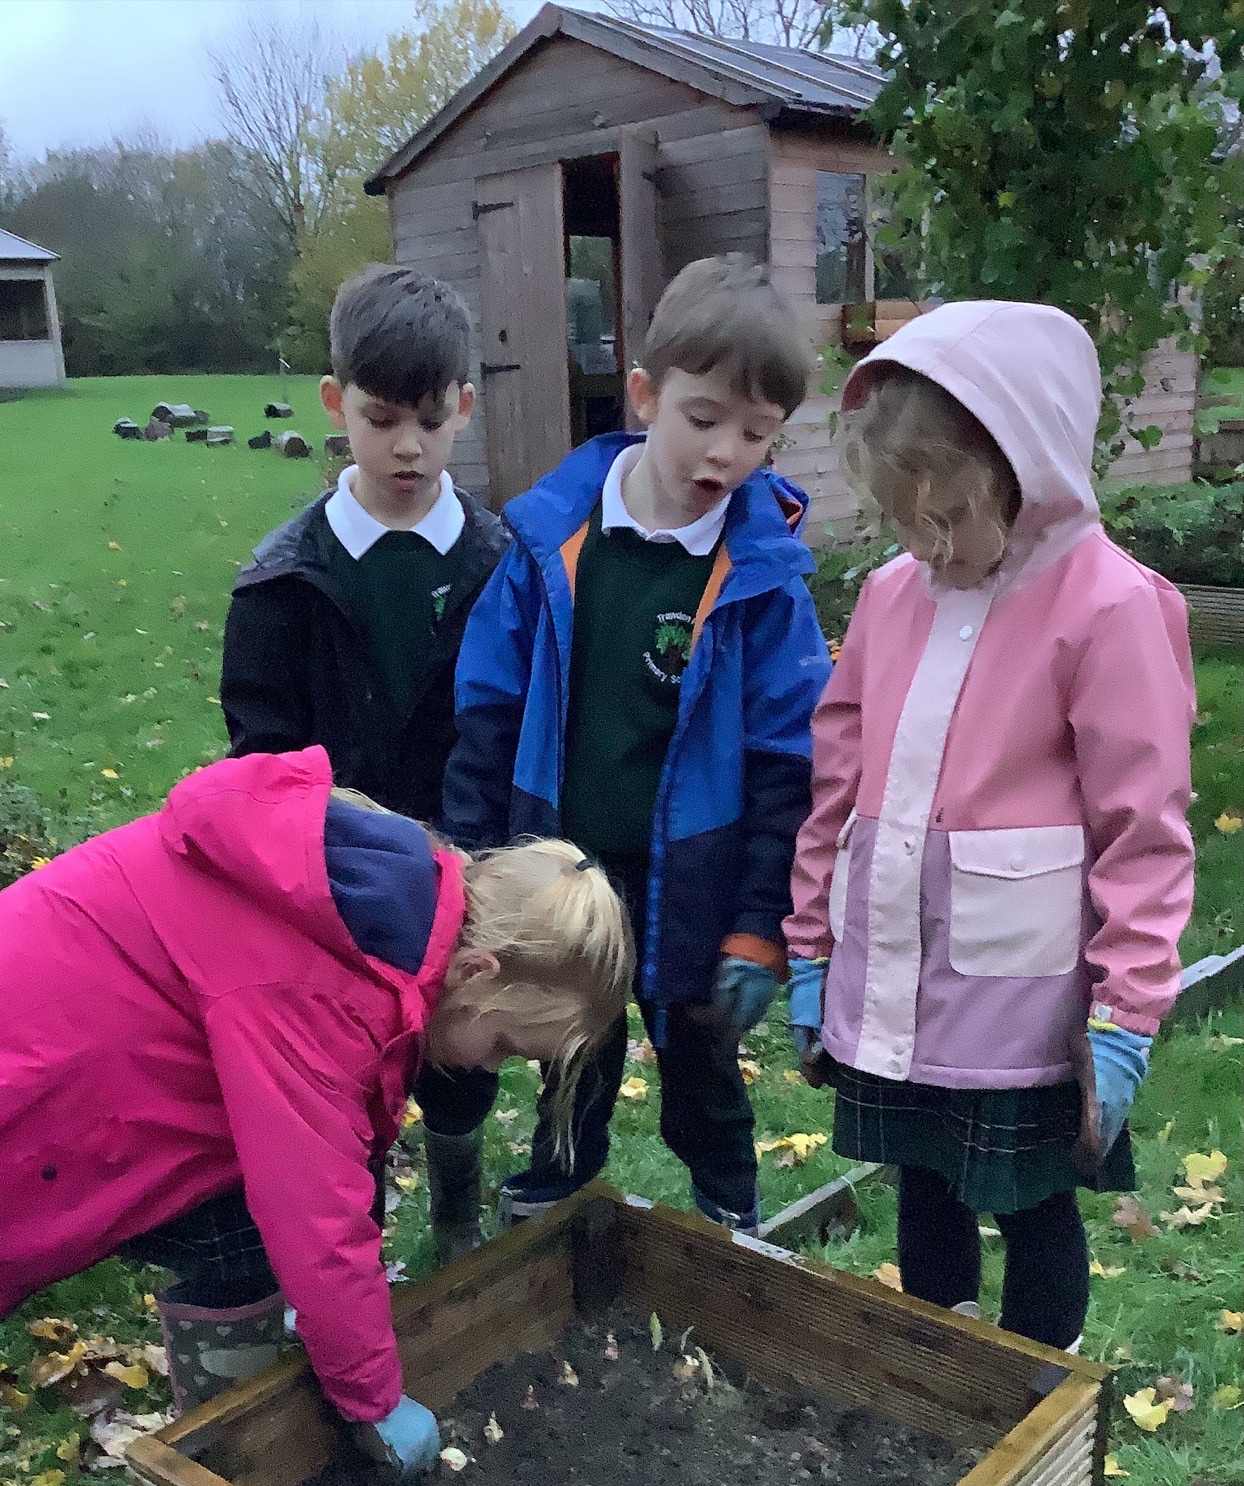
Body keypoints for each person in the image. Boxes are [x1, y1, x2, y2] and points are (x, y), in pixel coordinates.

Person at [0, 748, 632, 1473]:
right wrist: (376, 1399)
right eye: (501, 1043)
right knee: (240, 1239)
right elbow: (313, 1207)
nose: (486, 1066)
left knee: (266, 1229)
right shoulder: (321, 983)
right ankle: (231, 1453)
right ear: (476, 970)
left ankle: (279, 1348)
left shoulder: (394, 901)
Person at [785, 300, 1195, 1351]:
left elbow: (1142, 828)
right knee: (923, 1176)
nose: (934, 551)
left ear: (1028, 468)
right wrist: (810, 947)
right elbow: (838, 775)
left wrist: (1126, 1013)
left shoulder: (1109, 607)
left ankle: (1033, 1396)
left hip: (1020, 1004)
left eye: (953, 522)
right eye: (908, 528)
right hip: (896, 980)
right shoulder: (889, 598)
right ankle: (943, 1370)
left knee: (1030, 1200)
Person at [442, 256, 833, 1231]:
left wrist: (757, 926)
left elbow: (791, 767)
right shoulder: (550, 542)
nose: (724, 455)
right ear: (647, 393)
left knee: (700, 1048)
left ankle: (727, 1205)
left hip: (698, 870)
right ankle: (561, 1180)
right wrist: (471, 864)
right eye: (703, 420)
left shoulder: (765, 582)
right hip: (565, 856)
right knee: (573, 1034)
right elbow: (486, 715)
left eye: (757, 435)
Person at [220, 264, 509, 1266]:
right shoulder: (281, 582)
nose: (408, 446)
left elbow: (509, 729)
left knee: (461, 1061)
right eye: (383, 418)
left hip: (466, 870)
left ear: (464, 407)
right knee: (343, 1070)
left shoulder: (500, 568)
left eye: (431, 420)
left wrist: (480, 857)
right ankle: (352, 1240)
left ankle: (459, 1213)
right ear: (337, 404)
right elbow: (259, 758)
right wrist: (328, 860)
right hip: (329, 882)